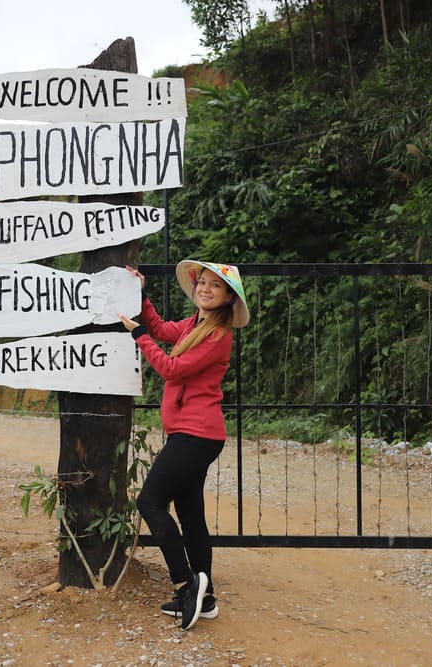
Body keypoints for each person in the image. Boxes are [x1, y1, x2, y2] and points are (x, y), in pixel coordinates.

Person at [118, 260, 250, 631]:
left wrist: (138, 335)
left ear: (227, 299)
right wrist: (140, 297)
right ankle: (205, 600)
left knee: (150, 502)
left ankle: (185, 584)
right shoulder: (195, 325)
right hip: (191, 434)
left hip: (197, 434)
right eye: (202, 283)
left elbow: (170, 368)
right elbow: (161, 328)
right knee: (190, 516)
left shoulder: (217, 335)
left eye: (215, 286)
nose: (205, 289)